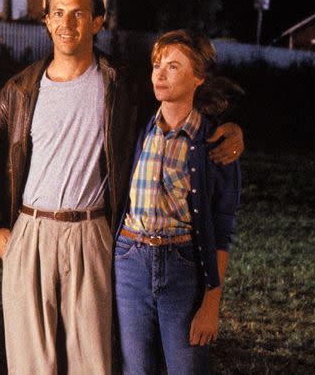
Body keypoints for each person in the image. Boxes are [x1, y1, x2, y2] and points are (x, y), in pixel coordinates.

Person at [0, 0, 244, 374]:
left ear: (97, 22)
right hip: (30, 230)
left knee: (92, 360)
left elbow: (180, 98)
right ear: (46, 20)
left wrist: (230, 127)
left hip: (91, 230)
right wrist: (0, 233)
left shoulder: (120, 84)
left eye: (78, 13)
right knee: (29, 363)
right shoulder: (19, 89)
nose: (67, 23)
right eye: (58, 13)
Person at [113, 30, 241, 374]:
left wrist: (211, 303)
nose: (160, 74)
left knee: (186, 365)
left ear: (198, 77)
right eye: (157, 65)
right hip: (129, 261)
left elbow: (223, 225)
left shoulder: (212, 142)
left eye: (173, 66)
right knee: (135, 367)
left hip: (182, 264)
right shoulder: (138, 129)